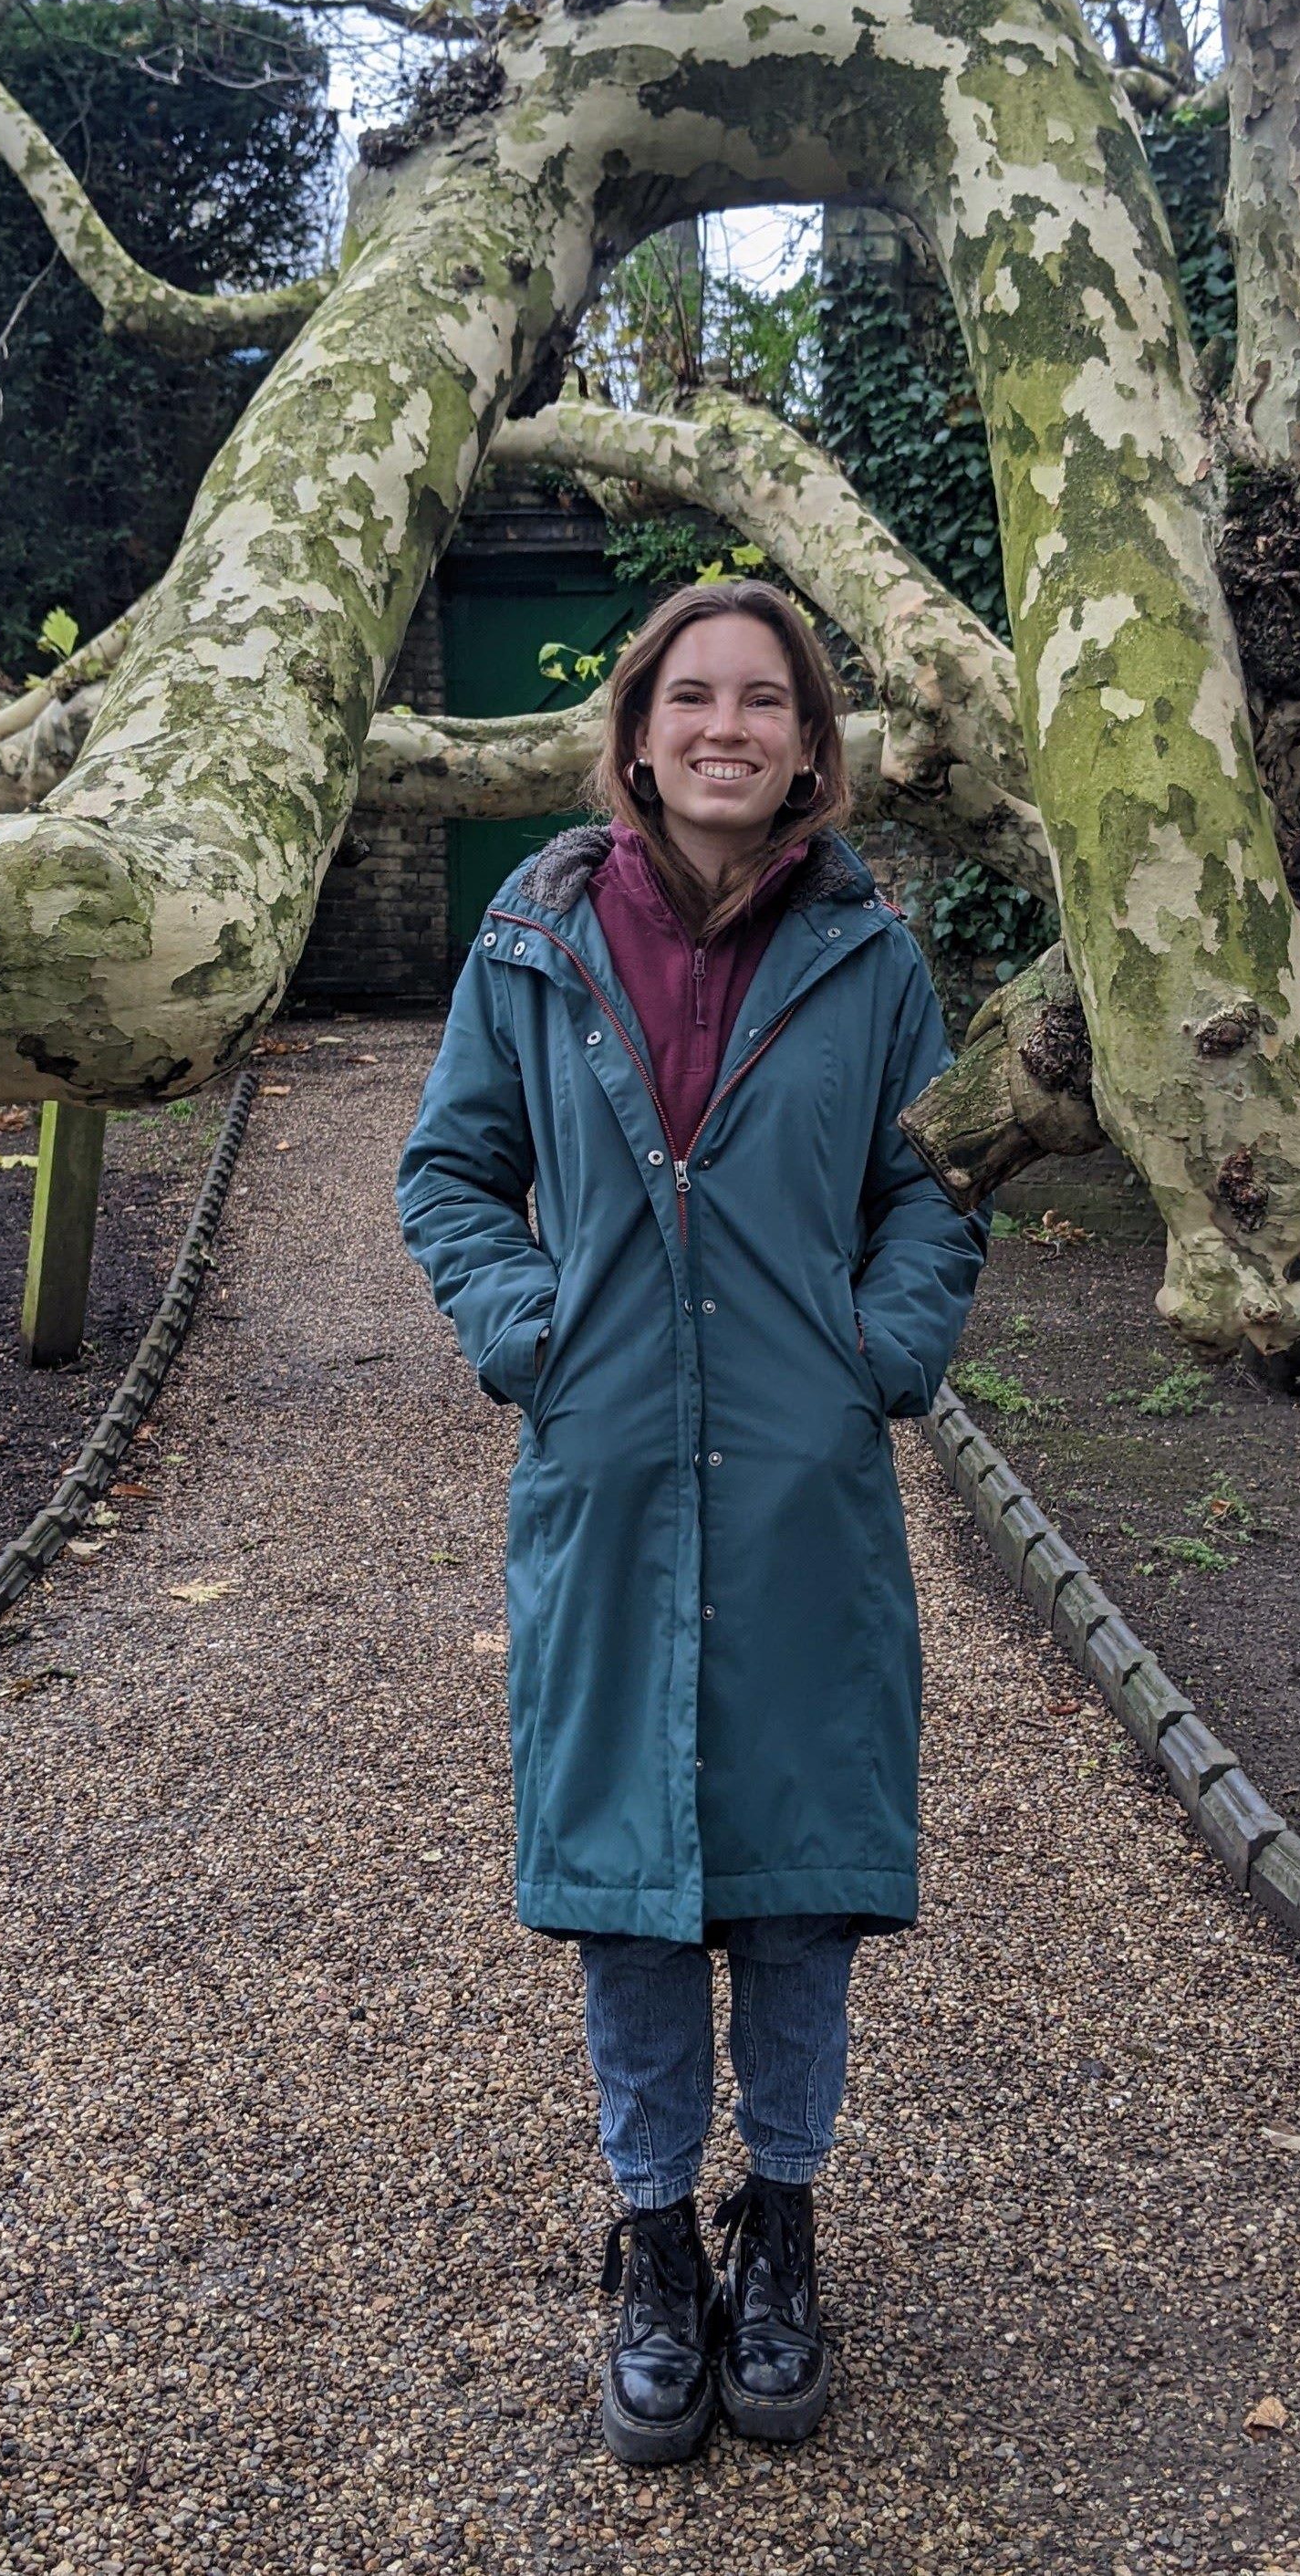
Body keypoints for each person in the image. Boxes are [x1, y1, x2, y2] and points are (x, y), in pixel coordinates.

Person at [395, 579, 990, 2466]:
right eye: (692, 696)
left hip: (811, 1486)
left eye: (766, 701)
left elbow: (937, 1182)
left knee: (801, 1879)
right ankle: (656, 2237)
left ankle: (785, 2226)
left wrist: (882, 1352)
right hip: (612, 1473)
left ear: (811, 746)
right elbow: (448, 1168)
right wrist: (527, 1329)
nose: (727, 725)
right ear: (640, 732)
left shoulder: (873, 956)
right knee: (632, 1890)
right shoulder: (536, 938)